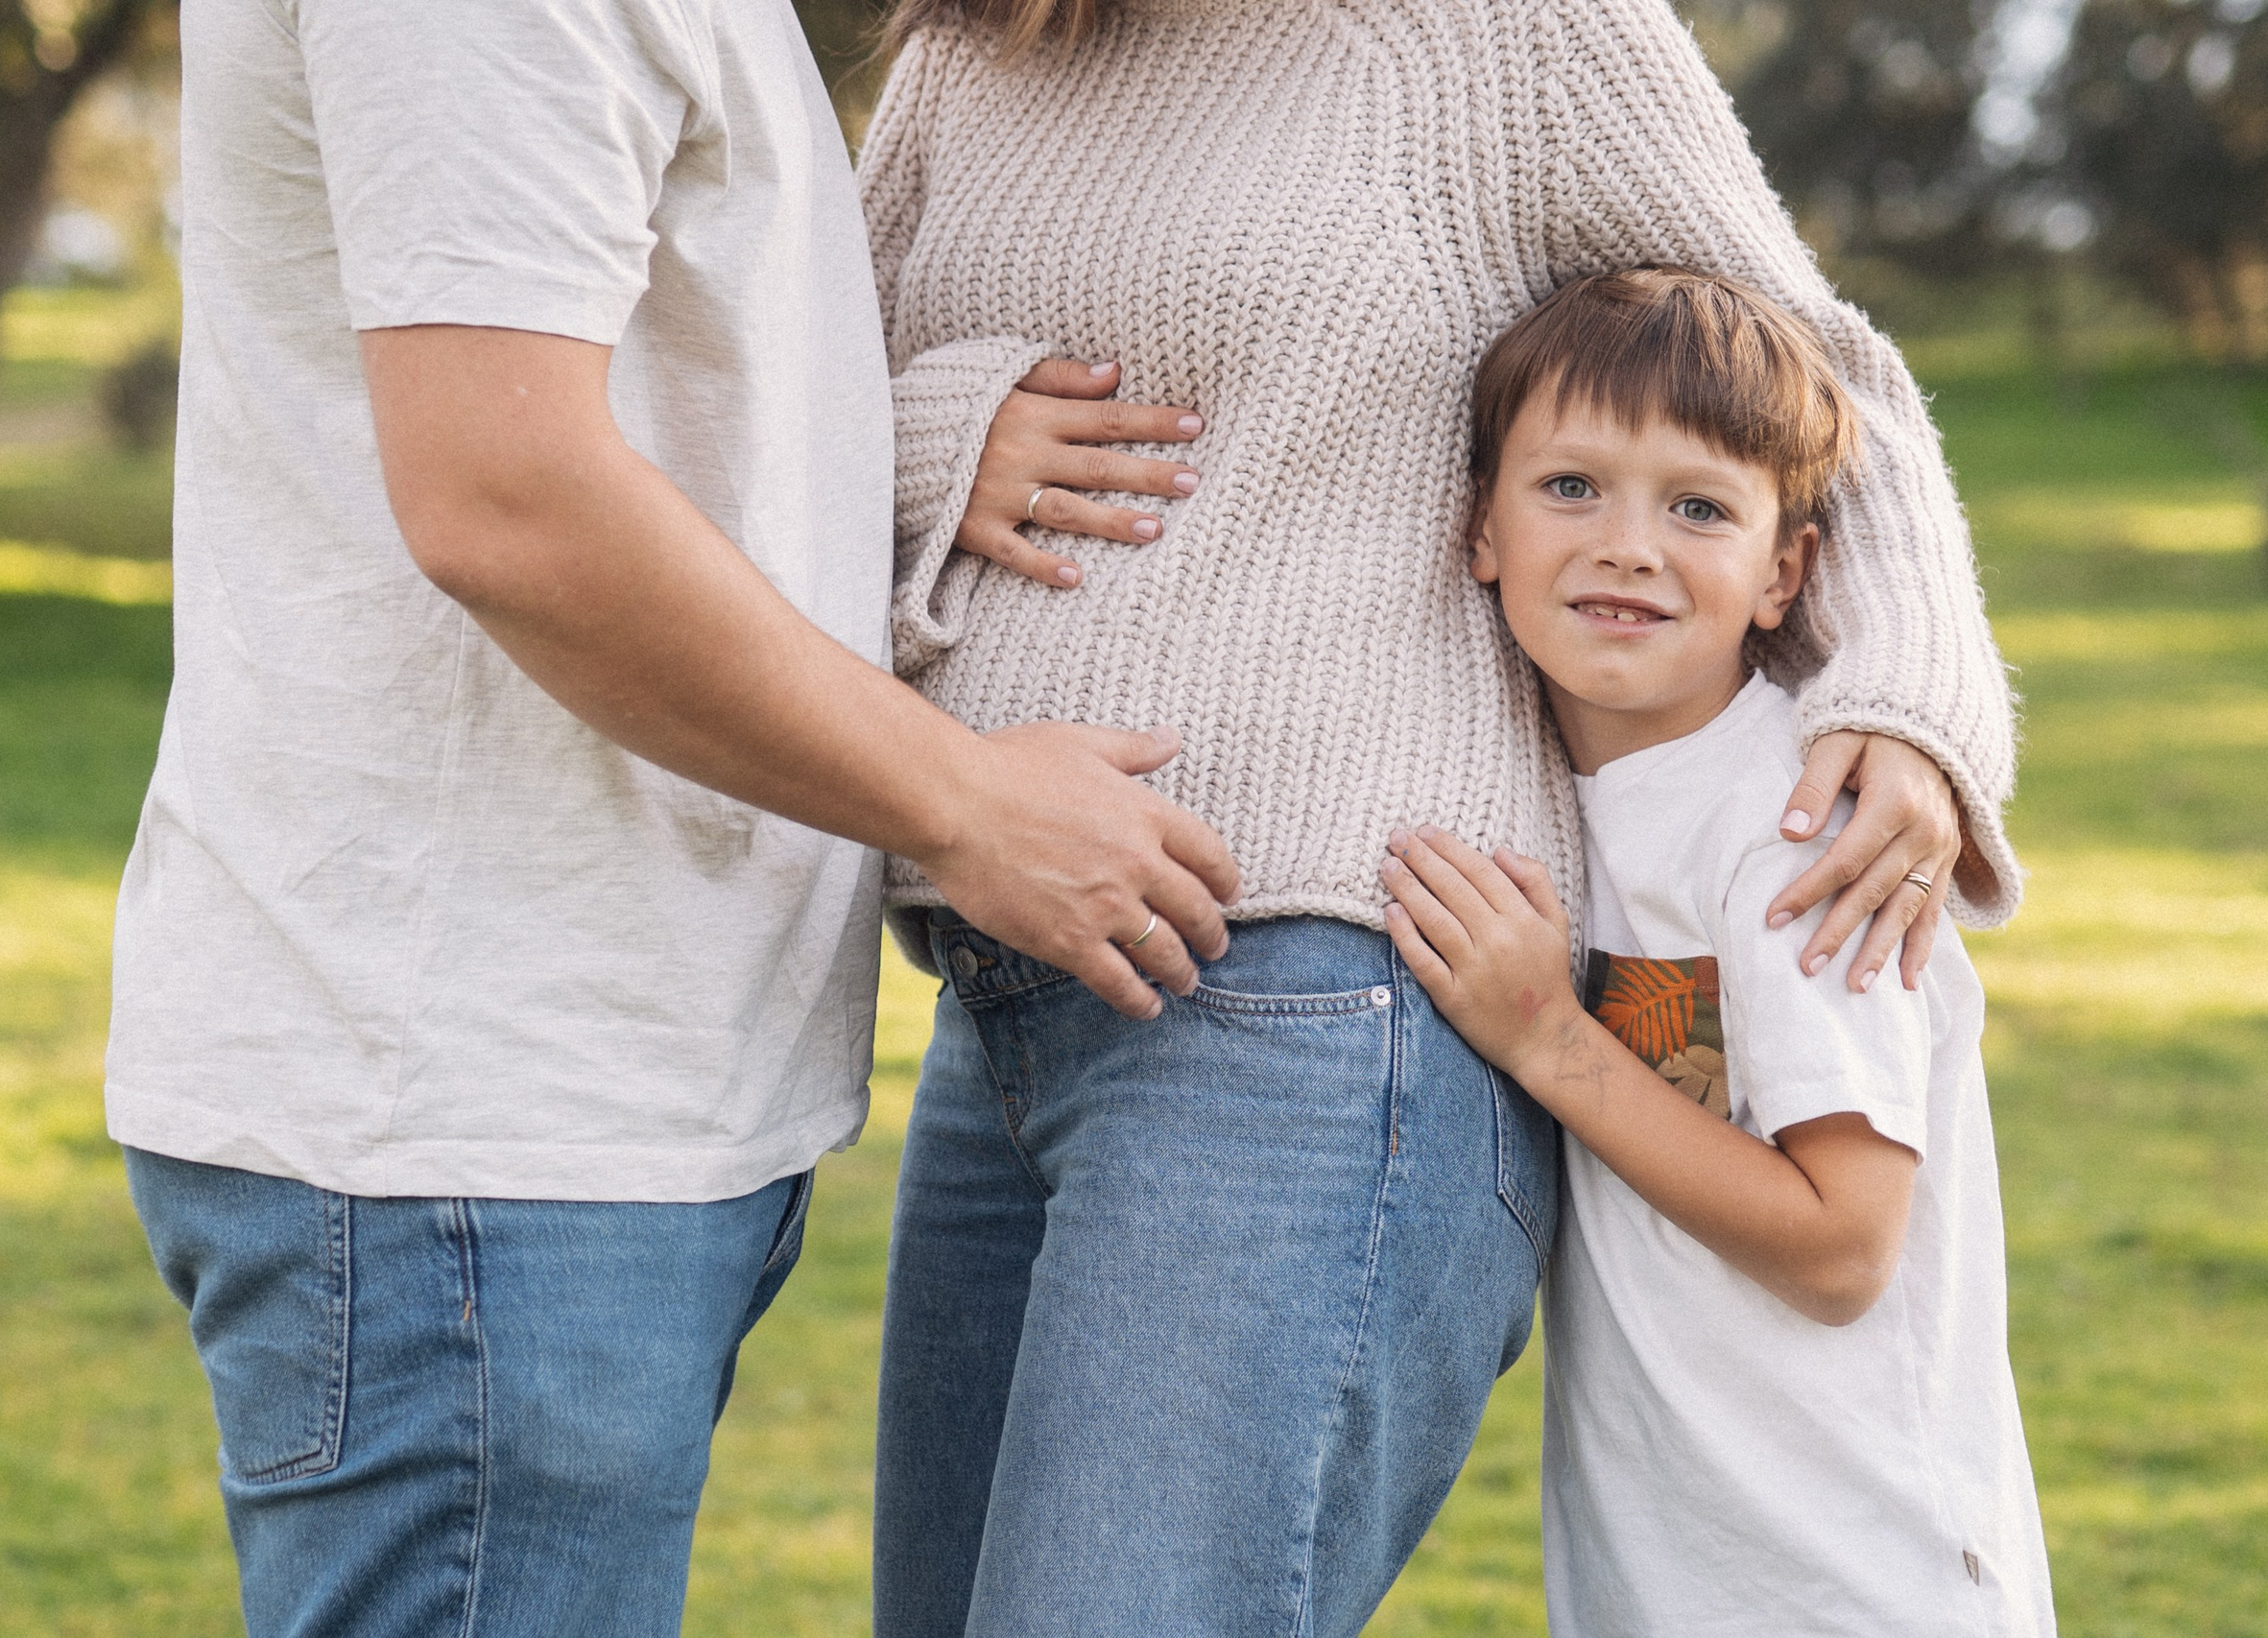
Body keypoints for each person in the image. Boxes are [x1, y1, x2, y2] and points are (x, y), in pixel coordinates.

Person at [861, 0, 2024, 1633]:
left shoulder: (1507, 32)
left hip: (1310, 986)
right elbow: (774, 396)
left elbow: (1812, 374)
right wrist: (936, 441)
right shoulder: (966, 55)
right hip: (1001, 982)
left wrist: (1901, 701)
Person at [104, 1, 1238, 1632]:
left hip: (561, 1109)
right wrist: (968, 802)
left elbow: (626, 375)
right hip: (473, 1120)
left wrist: (896, 456)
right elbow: (509, 500)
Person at [1379, 266, 2053, 1636]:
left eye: (1698, 508)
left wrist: (1549, 1039)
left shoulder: (1793, 829)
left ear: (1782, 573)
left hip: (1853, 1580)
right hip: (1676, 1570)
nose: (1630, 546)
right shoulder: (1576, 798)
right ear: (1480, 529)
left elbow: (1844, 1246)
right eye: (1573, 487)